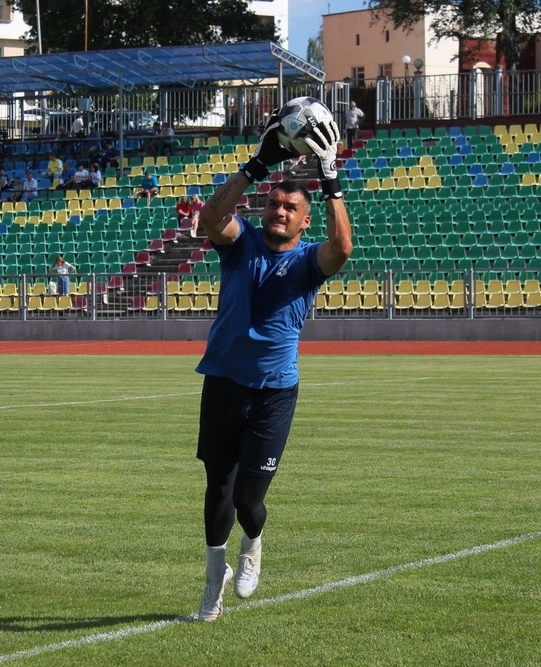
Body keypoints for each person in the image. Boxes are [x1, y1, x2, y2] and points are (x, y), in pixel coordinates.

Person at [193, 112, 350, 622]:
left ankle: (253, 543)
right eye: (275, 204)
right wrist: (256, 165)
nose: (281, 212)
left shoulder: (308, 261)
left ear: (305, 220)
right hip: (222, 381)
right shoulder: (241, 246)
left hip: (274, 392)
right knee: (217, 485)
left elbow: (343, 248)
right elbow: (209, 219)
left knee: (247, 499)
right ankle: (212, 582)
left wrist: (330, 184)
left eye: (291, 208)